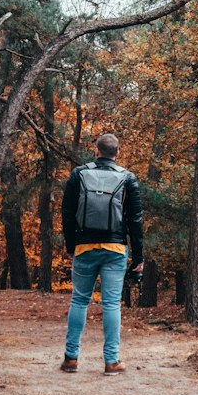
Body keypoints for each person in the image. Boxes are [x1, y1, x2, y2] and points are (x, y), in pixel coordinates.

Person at [60, 131, 144, 375]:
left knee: (79, 300)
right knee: (111, 304)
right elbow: (135, 220)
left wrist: (71, 246)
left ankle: (71, 359)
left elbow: (67, 213)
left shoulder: (79, 174)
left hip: (84, 246)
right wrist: (138, 257)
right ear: (117, 154)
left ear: (96, 151)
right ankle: (111, 361)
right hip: (115, 248)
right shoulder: (128, 178)